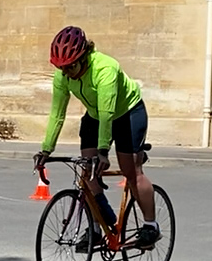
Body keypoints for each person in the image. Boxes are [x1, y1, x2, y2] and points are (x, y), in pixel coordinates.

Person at [36, 25, 158, 248]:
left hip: (127, 113)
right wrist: (46, 150)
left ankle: (151, 226)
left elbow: (107, 112)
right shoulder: (63, 75)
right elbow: (57, 113)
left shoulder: (105, 68)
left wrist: (104, 151)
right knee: (88, 170)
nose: (67, 72)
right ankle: (96, 228)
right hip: (94, 115)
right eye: (62, 68)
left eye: (71, 66)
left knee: (131, 172)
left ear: (84, 56)